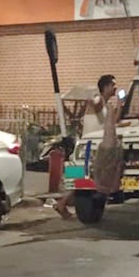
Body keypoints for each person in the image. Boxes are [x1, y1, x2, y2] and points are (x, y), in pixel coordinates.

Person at [55, 74, 124, 219]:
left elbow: (114, 122)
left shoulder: (105, 105)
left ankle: (63, 204)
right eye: (113, 85)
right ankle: (62, 203)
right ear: (105, 87)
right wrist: (93, 100)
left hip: (93, 146)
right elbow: (94, 102)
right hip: (88, 146)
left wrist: (119, 105)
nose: (115, 88)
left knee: (85, 177)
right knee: (83, 177)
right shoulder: (98, 100)